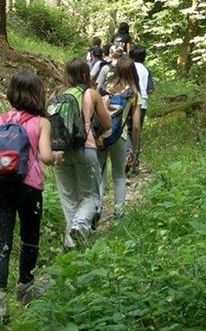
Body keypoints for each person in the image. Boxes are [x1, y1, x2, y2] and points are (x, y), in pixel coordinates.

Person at [0, 71, 63, 322]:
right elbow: (45, 157)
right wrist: (57, 157)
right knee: (30, 237)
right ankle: (25, 287)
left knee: (0, 241)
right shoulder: (42, 122)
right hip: (29, 186)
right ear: (37, 94)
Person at [53, 58, 111, 248]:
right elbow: (107, 124)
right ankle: (79, 226)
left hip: (61, 151)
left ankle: (71, 244)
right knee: (91, 196)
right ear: (87, 74)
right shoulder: (91, 94)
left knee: (68, 197)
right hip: (85, 147)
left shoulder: (58, 94)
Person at [97, 57, 141, 219]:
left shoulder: (104, 88)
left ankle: (96, 209)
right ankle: (119, 212)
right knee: (118, 176)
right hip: (119, 136)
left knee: (100, 175)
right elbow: (136, 126)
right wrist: (134, 150)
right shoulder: (134, 93)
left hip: (100, 135)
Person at [126, 45, 151, 167]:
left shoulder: (129, 67)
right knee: (137, 129)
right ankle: (135, 159)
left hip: (129, 98)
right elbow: (150, 89)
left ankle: (126, 157)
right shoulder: (146, 70)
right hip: (143, 100)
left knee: (127, 128)